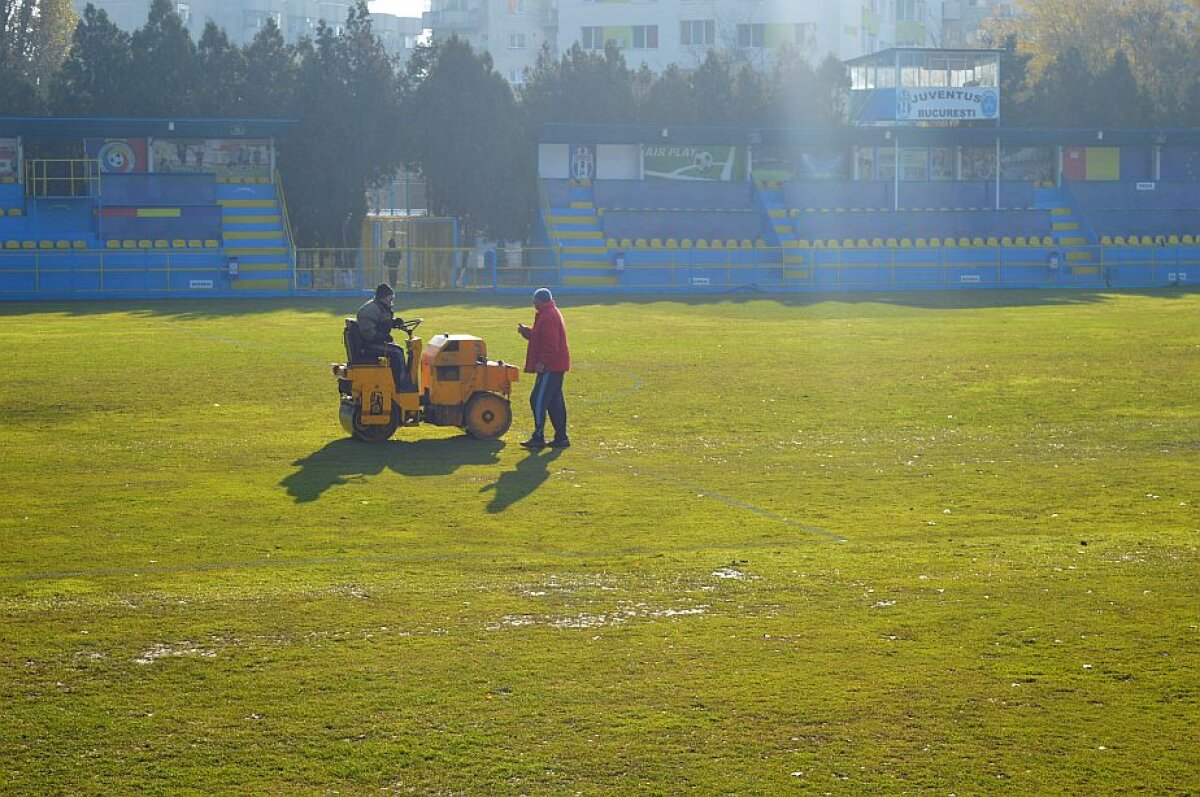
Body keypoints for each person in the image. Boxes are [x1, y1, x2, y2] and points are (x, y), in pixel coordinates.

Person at [517, 287, 570, 449]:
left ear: (541, 300)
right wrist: (526, 332)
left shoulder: (547, 316)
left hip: (551, 367)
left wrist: (542, 362)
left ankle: (538, 437)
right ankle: (561, 438)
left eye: (535, 299)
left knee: (537, 399)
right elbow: (541, 337)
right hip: (556, 365)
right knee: (554, 402)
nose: (533, 302)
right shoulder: (550, 313)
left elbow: (550, 345)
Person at [356, 283, 409, 391]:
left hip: (373, 342)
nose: (392, 301)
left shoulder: (380, 307)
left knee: (396, 349)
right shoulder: (370, 310)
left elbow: (381, 323)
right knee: (397, 352)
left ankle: (397, 379)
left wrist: (394, 323)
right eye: (390, 298)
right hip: (368, 345)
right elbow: (368, 333)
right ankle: (401, 385)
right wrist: (382, 337)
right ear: (383, 297)